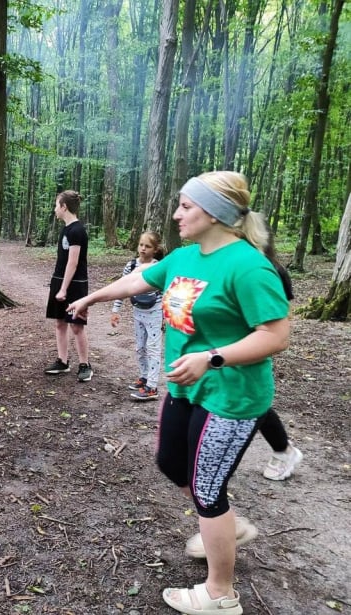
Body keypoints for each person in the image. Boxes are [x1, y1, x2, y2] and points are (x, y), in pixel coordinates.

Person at [67, 171, 289, 615]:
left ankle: (220, 594)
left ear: (216, 213)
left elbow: (276, 335)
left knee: (207, 490)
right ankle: (227, 525)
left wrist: (213, 357)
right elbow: (137, 282)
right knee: (173, 464)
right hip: (187, 388)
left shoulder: (248, 266)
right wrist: (89, 299)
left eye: (186, 206)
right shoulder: (187, 257)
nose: (176, 214)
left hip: (231, 396)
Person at [255, 232, 303, 480]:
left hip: (254, 345)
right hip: (224, 346)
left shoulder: (272, 270)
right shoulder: (229, 263)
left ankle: (284, 450)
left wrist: (263, 339)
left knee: (254, 402)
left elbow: (282, 314)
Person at [44, 190, 92, 382]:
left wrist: (64, 289)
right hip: (59, 280)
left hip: (75, 284)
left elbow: (73, 262)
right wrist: (58, 285)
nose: (55, 209)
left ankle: (84, 364)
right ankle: (62, 361)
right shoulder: (66, 229)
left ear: (64, 207)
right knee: (60, 322)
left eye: (57, 205)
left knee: (77, 325)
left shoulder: (77, 230)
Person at [110, 231, 164, 401]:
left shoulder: (158, 266)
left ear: (155, 249)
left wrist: (165, 315)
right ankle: (144, 377)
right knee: (140, 347)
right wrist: (115, 310)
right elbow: (122, 288)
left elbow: (165, 291)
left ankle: (152, 386)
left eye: (147, 246)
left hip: (155, 311)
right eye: (141, 245)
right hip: (138, 311)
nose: (143, 248)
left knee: (153, 348)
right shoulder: (131, 265)